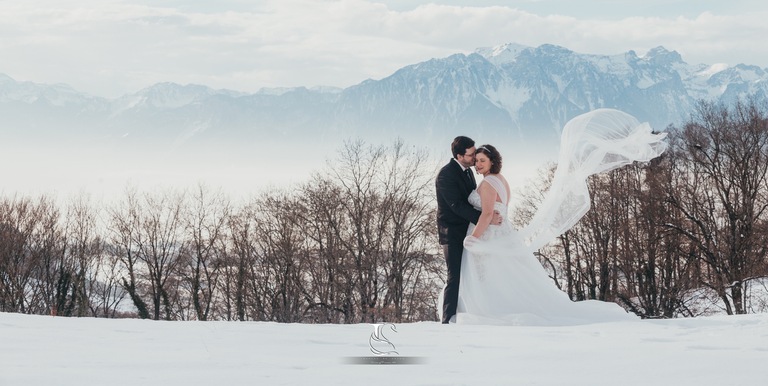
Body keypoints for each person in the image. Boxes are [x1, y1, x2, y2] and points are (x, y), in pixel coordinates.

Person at [455, 109, 668, 325]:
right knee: (509, 275)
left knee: (493, 276)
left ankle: (493, 311)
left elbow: (489, 213)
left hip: (489, 235)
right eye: (477, 161)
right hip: (502, 232)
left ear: (492, 161)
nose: (478, 164)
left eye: (482, 160)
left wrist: (474, 237)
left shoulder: (489, 183)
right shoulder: (501, 179)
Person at [435, 136, 502, 324]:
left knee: (471, 273)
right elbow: (457, 205)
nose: (474, 158)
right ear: (459, 156)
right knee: (454, 276)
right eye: (471, 155)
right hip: (453, 233)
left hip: (470, 231)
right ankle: (447, 320)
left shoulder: (468, 172)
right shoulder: (446, 174)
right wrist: (485, 220)